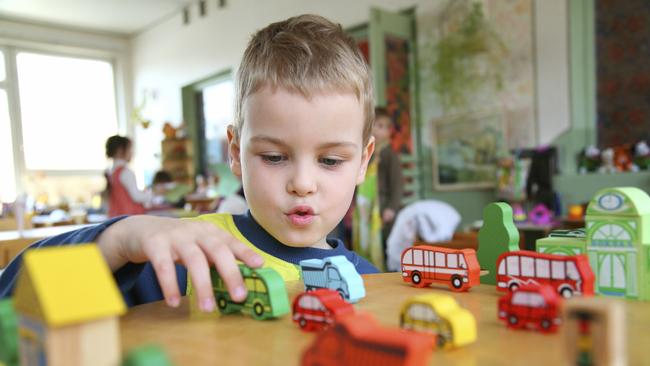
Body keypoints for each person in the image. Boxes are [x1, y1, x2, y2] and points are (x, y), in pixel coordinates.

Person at [0, 14, 378, 313]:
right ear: (235, 153)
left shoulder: (374, 284)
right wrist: (119, 240)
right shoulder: (183, 256)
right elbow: (11, 298)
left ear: (362, 162)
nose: (302, 182)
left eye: (330, 160)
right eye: (274, 157)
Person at [373, 107, 404, 244]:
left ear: (388, 131)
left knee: (386, 243)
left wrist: (391, 207)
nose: (377, 130)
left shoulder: (389, 155)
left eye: (382, 127)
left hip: (385, 208)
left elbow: (397, 184)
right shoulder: (368, 154)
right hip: (368, 207)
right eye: (374, 125)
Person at [105, 135, 153, 217]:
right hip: (130, 218)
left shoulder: (111, 172)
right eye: (130, 149)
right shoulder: (126, 172)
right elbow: (136, 197)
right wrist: (151, 194)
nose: (132, 153)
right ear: (120, 150)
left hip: (117, 217)